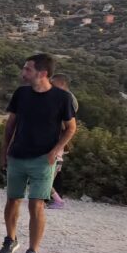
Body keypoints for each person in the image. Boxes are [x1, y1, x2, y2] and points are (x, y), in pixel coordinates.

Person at [0, 54, 76, 253]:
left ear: (42, 73)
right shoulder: (21, 93)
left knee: (37, 205)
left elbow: (71, 128)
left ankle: (32, 252)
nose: (23, 73)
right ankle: (10, 239)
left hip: (43, 160)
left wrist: (55, 151)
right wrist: (4, 151)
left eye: (27, 69)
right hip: (17, 156)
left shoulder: (62, 98)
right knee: (12, 200)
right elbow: (10, 125)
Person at [46, 73, 79, 209]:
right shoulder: (62, 97)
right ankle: (52, 198)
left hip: (59, 137)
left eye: (53, 83)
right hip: (57, 137)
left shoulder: (68, 99)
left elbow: (68, 123)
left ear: (61, 84)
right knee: (52, 172)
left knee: (50, 172)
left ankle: (56, 199)